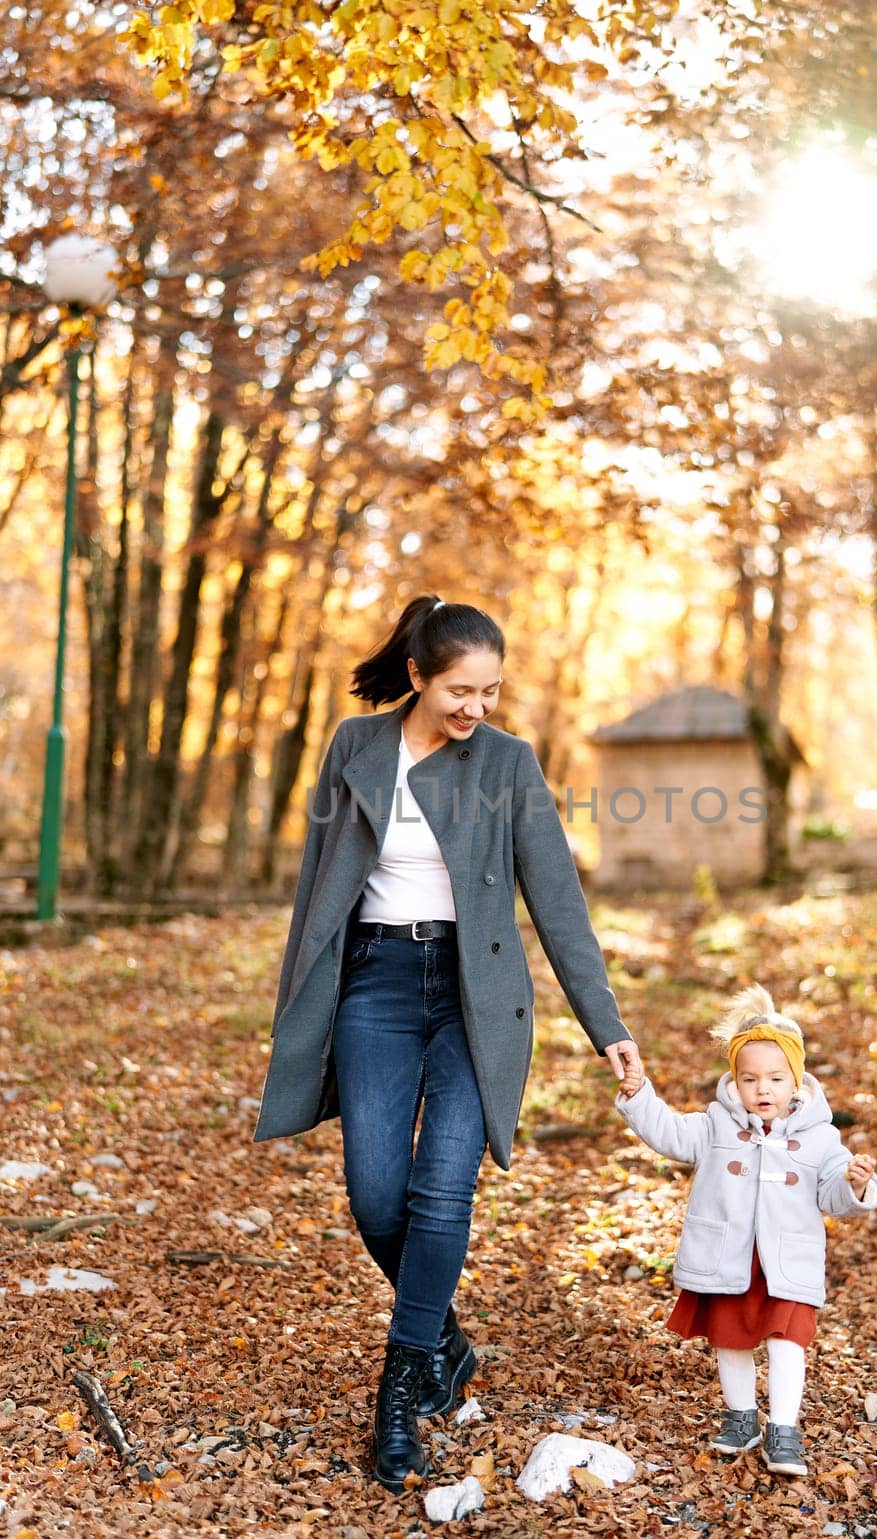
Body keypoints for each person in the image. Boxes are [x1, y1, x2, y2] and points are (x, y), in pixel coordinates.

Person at [254, 596, 642, 1491]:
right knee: (373, 1194)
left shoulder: (507, 763)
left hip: (474, 995)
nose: (477, 708)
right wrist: (299, 1008)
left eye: (491, 691)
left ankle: (400, 1386)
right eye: (461, 690)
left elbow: (557, 901)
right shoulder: (355, 747)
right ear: (419, 677)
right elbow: (319, 891)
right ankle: (445, 1340)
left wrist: (606, 1025)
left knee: (439, 1193)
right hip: (376, 986)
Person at [615, 982, 877, 1477]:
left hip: (785, 1259)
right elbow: (669, 1132)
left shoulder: (821, 1137)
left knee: (786, 1341)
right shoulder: (717, 1124)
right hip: (731, 1254)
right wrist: (638, 1096)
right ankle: (741, 1419)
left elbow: (832, 1193)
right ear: (734, 1081)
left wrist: (856, 1185)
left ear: (796, 1081)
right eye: (751, 1079)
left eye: (776, 1079)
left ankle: (784, 1429)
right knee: (732, 1339)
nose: (763, 1090)